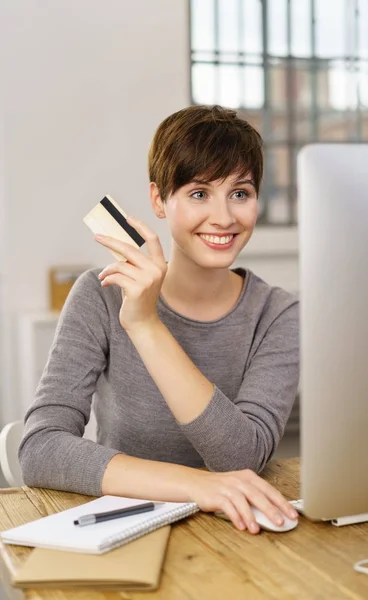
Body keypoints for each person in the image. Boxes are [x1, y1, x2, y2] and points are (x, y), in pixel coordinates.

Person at [19, 105, 299, 535]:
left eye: (240, 193)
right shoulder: (101, 293)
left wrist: (149, 327)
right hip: (124, 526)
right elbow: (40, 449)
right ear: (159, 200)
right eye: (199, 193)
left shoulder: (278, 313)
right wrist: (197, 485)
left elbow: (241, 458)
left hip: (238, 533)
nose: (224, 217)